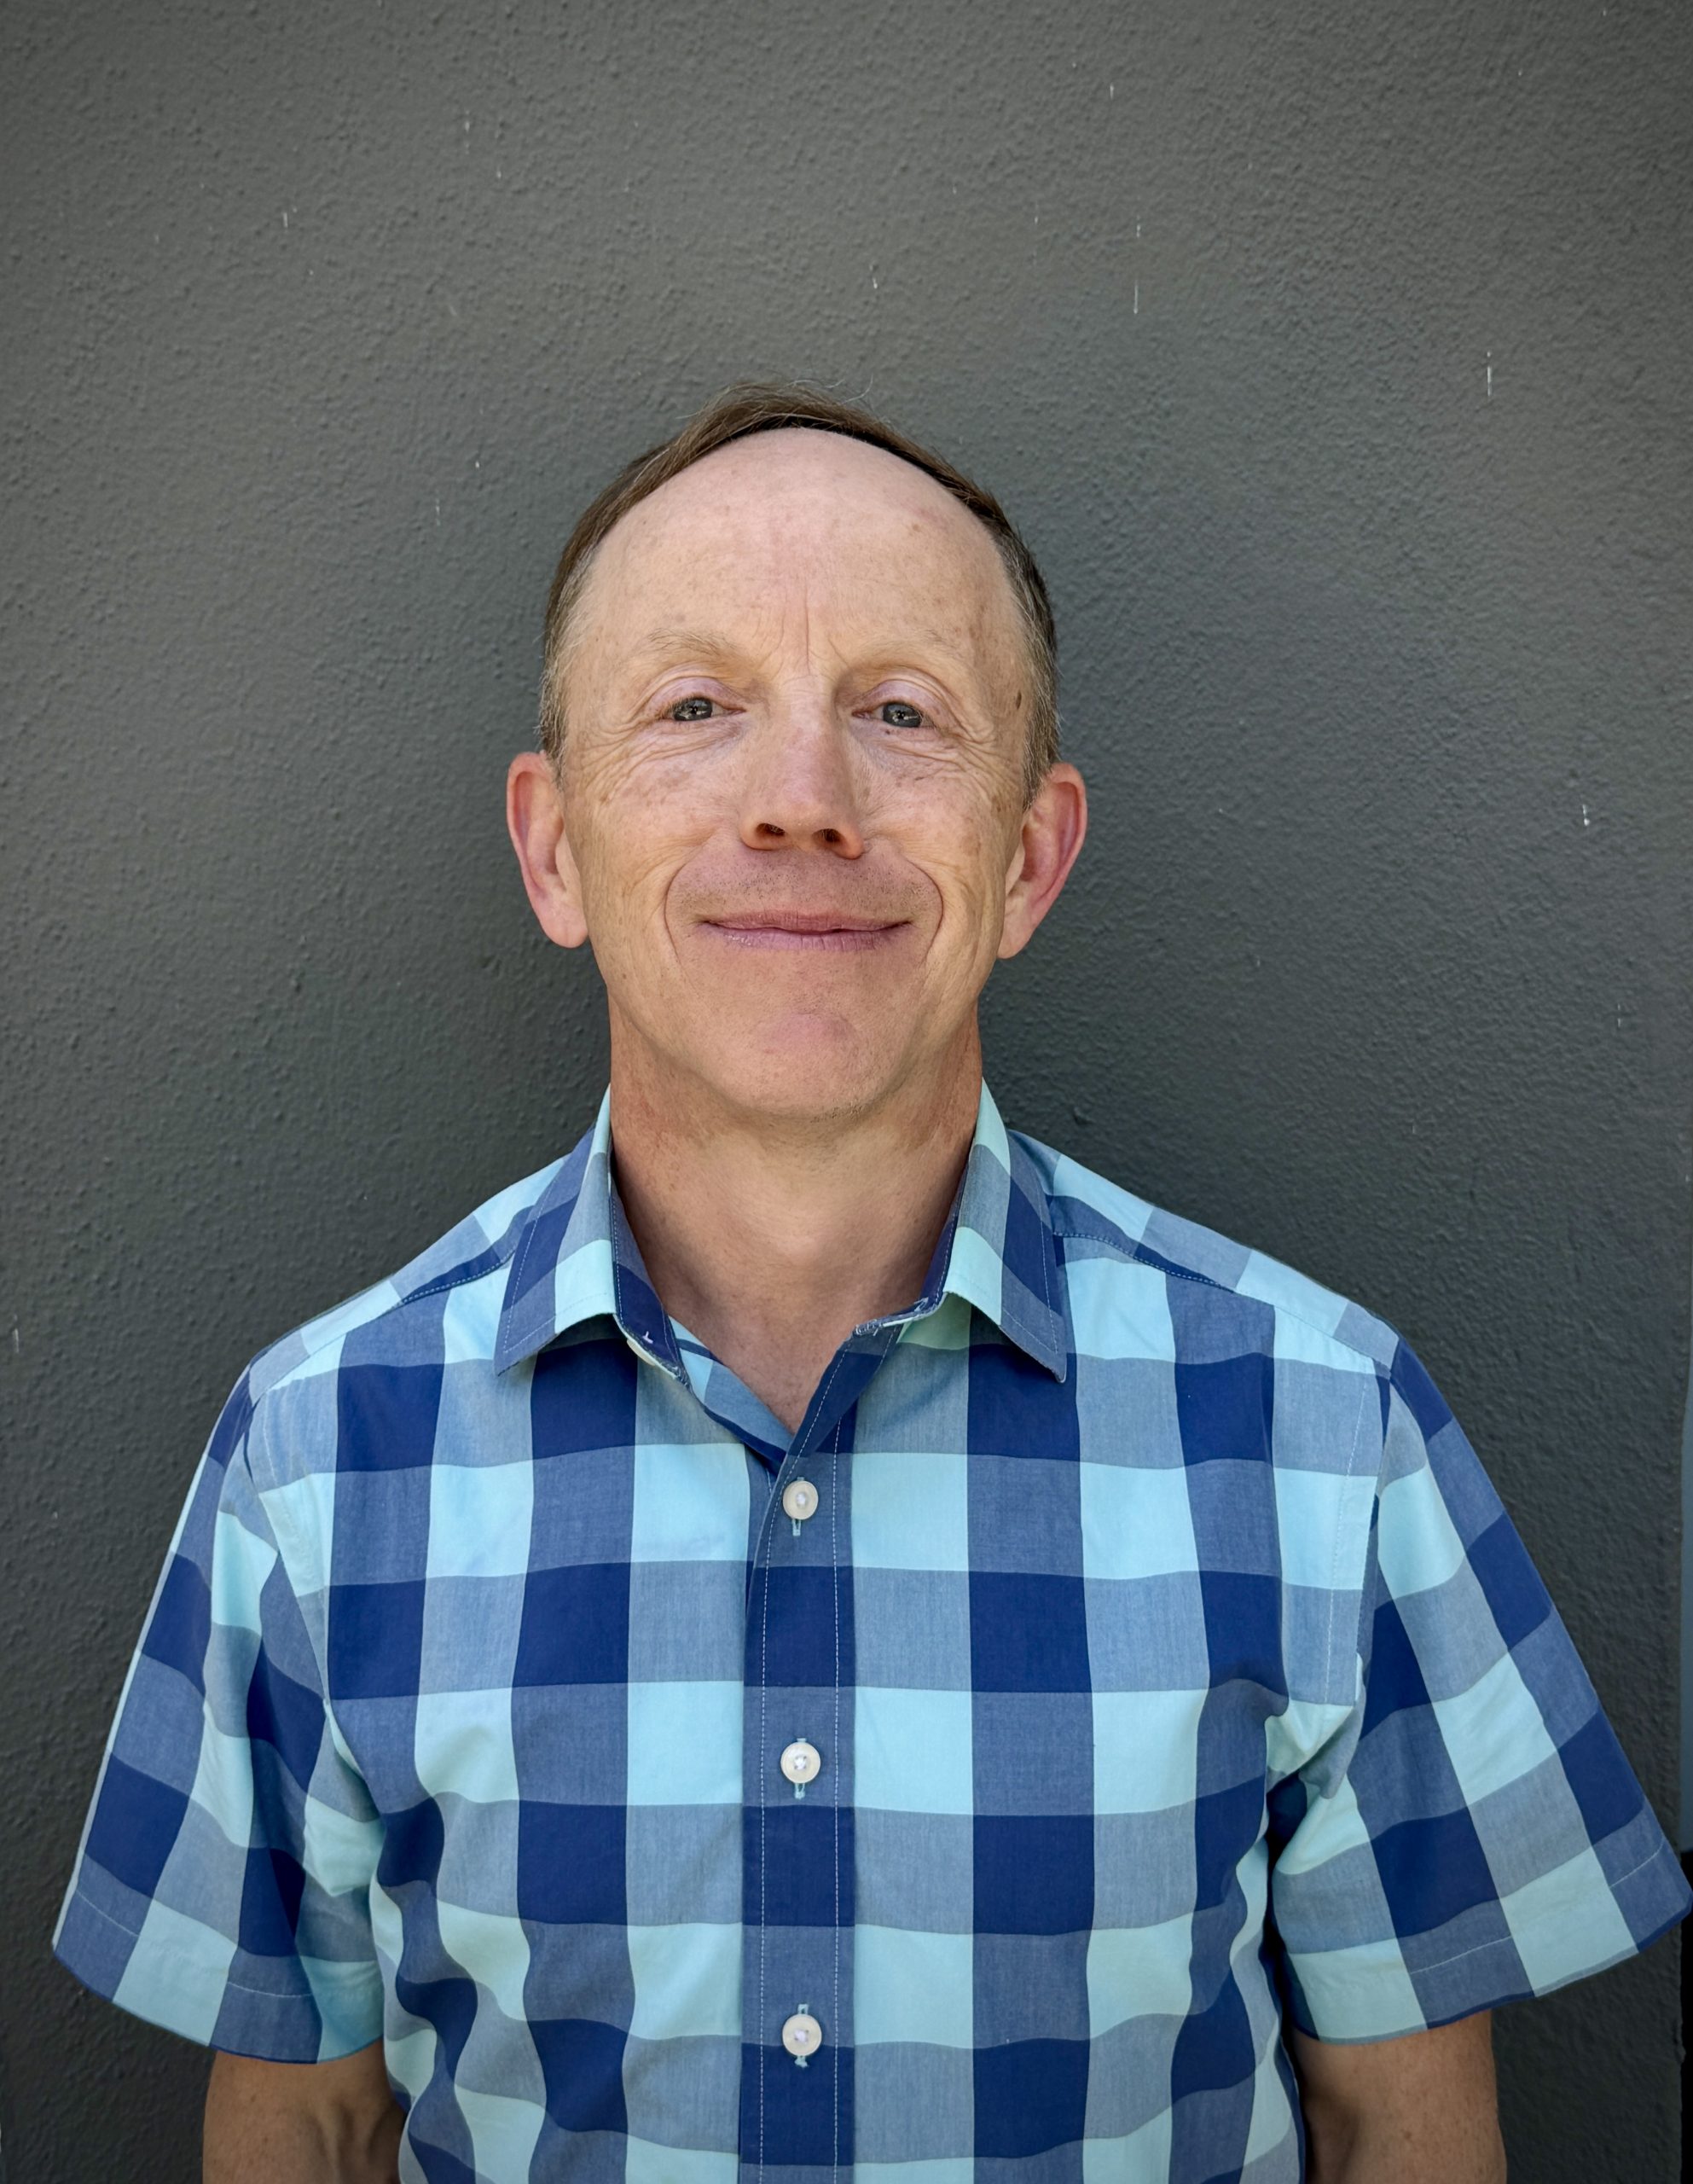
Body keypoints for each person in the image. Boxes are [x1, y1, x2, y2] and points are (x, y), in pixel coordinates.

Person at [54, 381, 1688, 2184]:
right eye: (695, 707)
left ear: (1028, 856)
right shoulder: (317, 1458)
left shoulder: (1323, 1431)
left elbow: (1405, 2131)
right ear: (552, 846)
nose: (802, 802)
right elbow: (305, 2123)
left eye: (899, 713)